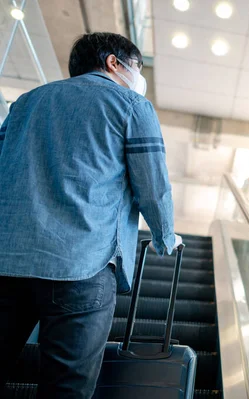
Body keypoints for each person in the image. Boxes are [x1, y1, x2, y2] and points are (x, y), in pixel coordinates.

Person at [0, 32, 182, 398]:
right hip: (80, 265)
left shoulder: (24, 104)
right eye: (136, 67)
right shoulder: (130, 105)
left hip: (8, 261)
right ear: (114, 63)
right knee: (66, 388)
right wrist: (165, 237)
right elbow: (153, 185)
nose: (137, 78)